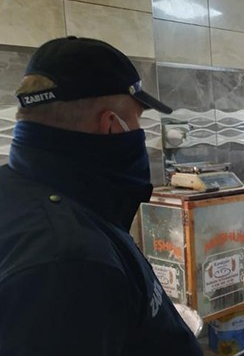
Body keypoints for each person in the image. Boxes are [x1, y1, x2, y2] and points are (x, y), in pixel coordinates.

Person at [0, 37, 203, 355]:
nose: (138, 131)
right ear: (110, 126)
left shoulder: (28, 192)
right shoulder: (68, 262)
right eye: (136, 119)